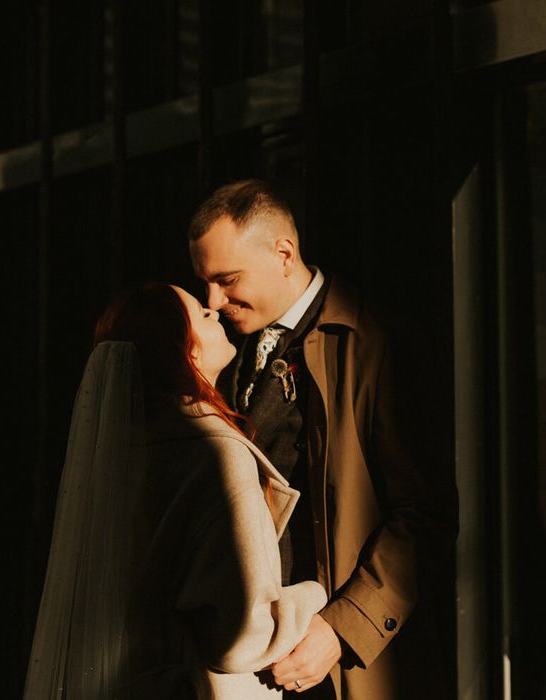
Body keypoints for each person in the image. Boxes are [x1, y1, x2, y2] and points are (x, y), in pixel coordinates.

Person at [187, 179, 436, 700]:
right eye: (205, 282)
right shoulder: (225, 352)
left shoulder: (376, 344)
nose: (213, 300)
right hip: (246, 664)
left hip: (337, 665)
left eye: (227, 279)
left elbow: (425, 515)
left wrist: (341, 629)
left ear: (284, 253)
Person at [23, 282, 327, 699]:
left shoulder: (119, 451)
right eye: (202, 314)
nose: (216, 311)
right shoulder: (216, 454)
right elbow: (242, 637)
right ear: (188, 351)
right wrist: (315, 595)